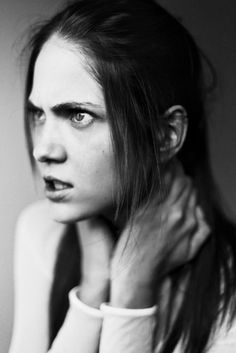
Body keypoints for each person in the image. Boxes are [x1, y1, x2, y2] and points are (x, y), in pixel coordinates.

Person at [9, 0, 236, 352]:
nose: (43, 149)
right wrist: (93, 285)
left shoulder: (228, 292)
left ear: (166, 135)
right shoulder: (40, 232)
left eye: (78, 115)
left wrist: (132, 292)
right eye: (38, 114)